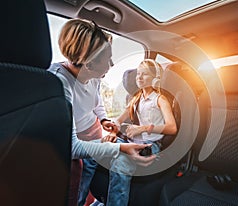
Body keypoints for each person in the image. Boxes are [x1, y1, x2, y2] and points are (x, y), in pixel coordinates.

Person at [47, 18, 155, 206]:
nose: (112, 64)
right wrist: (121, 147)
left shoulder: (94, 76)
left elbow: (96, 102)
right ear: (88, 64)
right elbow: (72, 148)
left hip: (94, 135)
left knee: (92, 178)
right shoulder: (60, 83)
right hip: (77, 145)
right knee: (77, 193)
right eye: (108, 60)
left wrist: (104, 119)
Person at [101, 59, 178, 206]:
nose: (139, 77)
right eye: (138, 74)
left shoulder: (160, 99)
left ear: (155, 79)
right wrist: (113, 130)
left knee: (120, 163)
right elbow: (119, 120)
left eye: (145, 74)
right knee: (96, 148)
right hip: (133, 142)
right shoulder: (136, 99)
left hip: (150, 146)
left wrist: (142, 128)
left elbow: (172, 127)